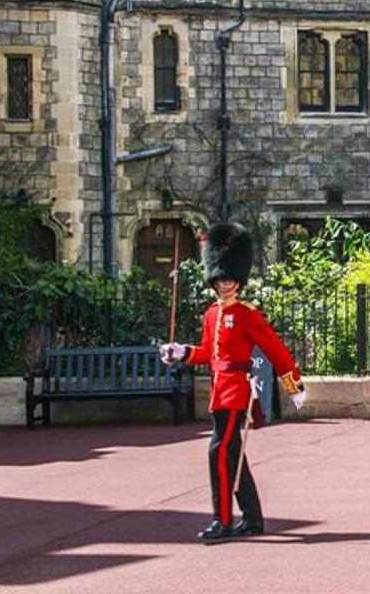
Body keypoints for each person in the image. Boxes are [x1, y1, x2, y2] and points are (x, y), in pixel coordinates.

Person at [159, 223, 307, 543]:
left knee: (220, 452)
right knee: (232, 454)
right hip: (218, 390)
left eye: (230, 278)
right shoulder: (212, 313)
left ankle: (223, 520)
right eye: (220, 278)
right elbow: (209, 355)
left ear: (238, 280)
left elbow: (275, 349)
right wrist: (181, 352)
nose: (225, 284)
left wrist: (294, 386)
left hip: (235, 391)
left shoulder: (247, 313)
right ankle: (252, 519)